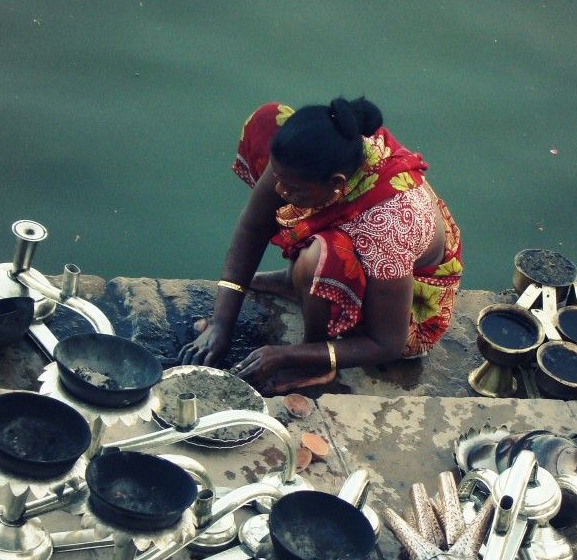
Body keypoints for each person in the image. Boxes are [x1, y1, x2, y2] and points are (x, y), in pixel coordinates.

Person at [178, 97, 463, 395]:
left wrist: (282, 356)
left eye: (292, 188)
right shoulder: (319, 157)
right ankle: (297, 283)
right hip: (357, 237)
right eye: (279, 178)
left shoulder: (389, 224)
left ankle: (315, 364)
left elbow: (387, 343)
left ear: (336, 183)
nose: (279, 191)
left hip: (402, 308)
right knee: (268, 121)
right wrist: (221, 323)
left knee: (323, 256)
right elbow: (253, 226)